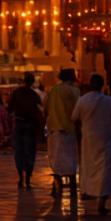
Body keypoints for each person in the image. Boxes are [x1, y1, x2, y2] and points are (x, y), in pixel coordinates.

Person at [72, 74, 111, 215]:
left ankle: (88, 190)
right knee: (105, 168)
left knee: (88, 165)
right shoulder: (108, 101)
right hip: (105, 137)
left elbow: (75, 118)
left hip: (89, 138)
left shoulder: (82, 101)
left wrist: (79, 135)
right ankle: (102, 200)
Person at [45, 69, 80, 200]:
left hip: (54, 129)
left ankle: (57, 185)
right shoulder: (74, 90)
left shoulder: (53, 90)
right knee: (70, 159)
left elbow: (45, 106)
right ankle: (72, 189)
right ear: (71, 76)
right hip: (69, 129)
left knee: (56, 159)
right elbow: (78, 108)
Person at [8, 72, 45, 188]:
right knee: (30, 151)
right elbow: (41, 110)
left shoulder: (16, 93)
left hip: (19, 124)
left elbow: (9, 108)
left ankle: (21, 178)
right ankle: (28, 179)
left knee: (19, 150)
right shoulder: (34, 95)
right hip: (31, 125)